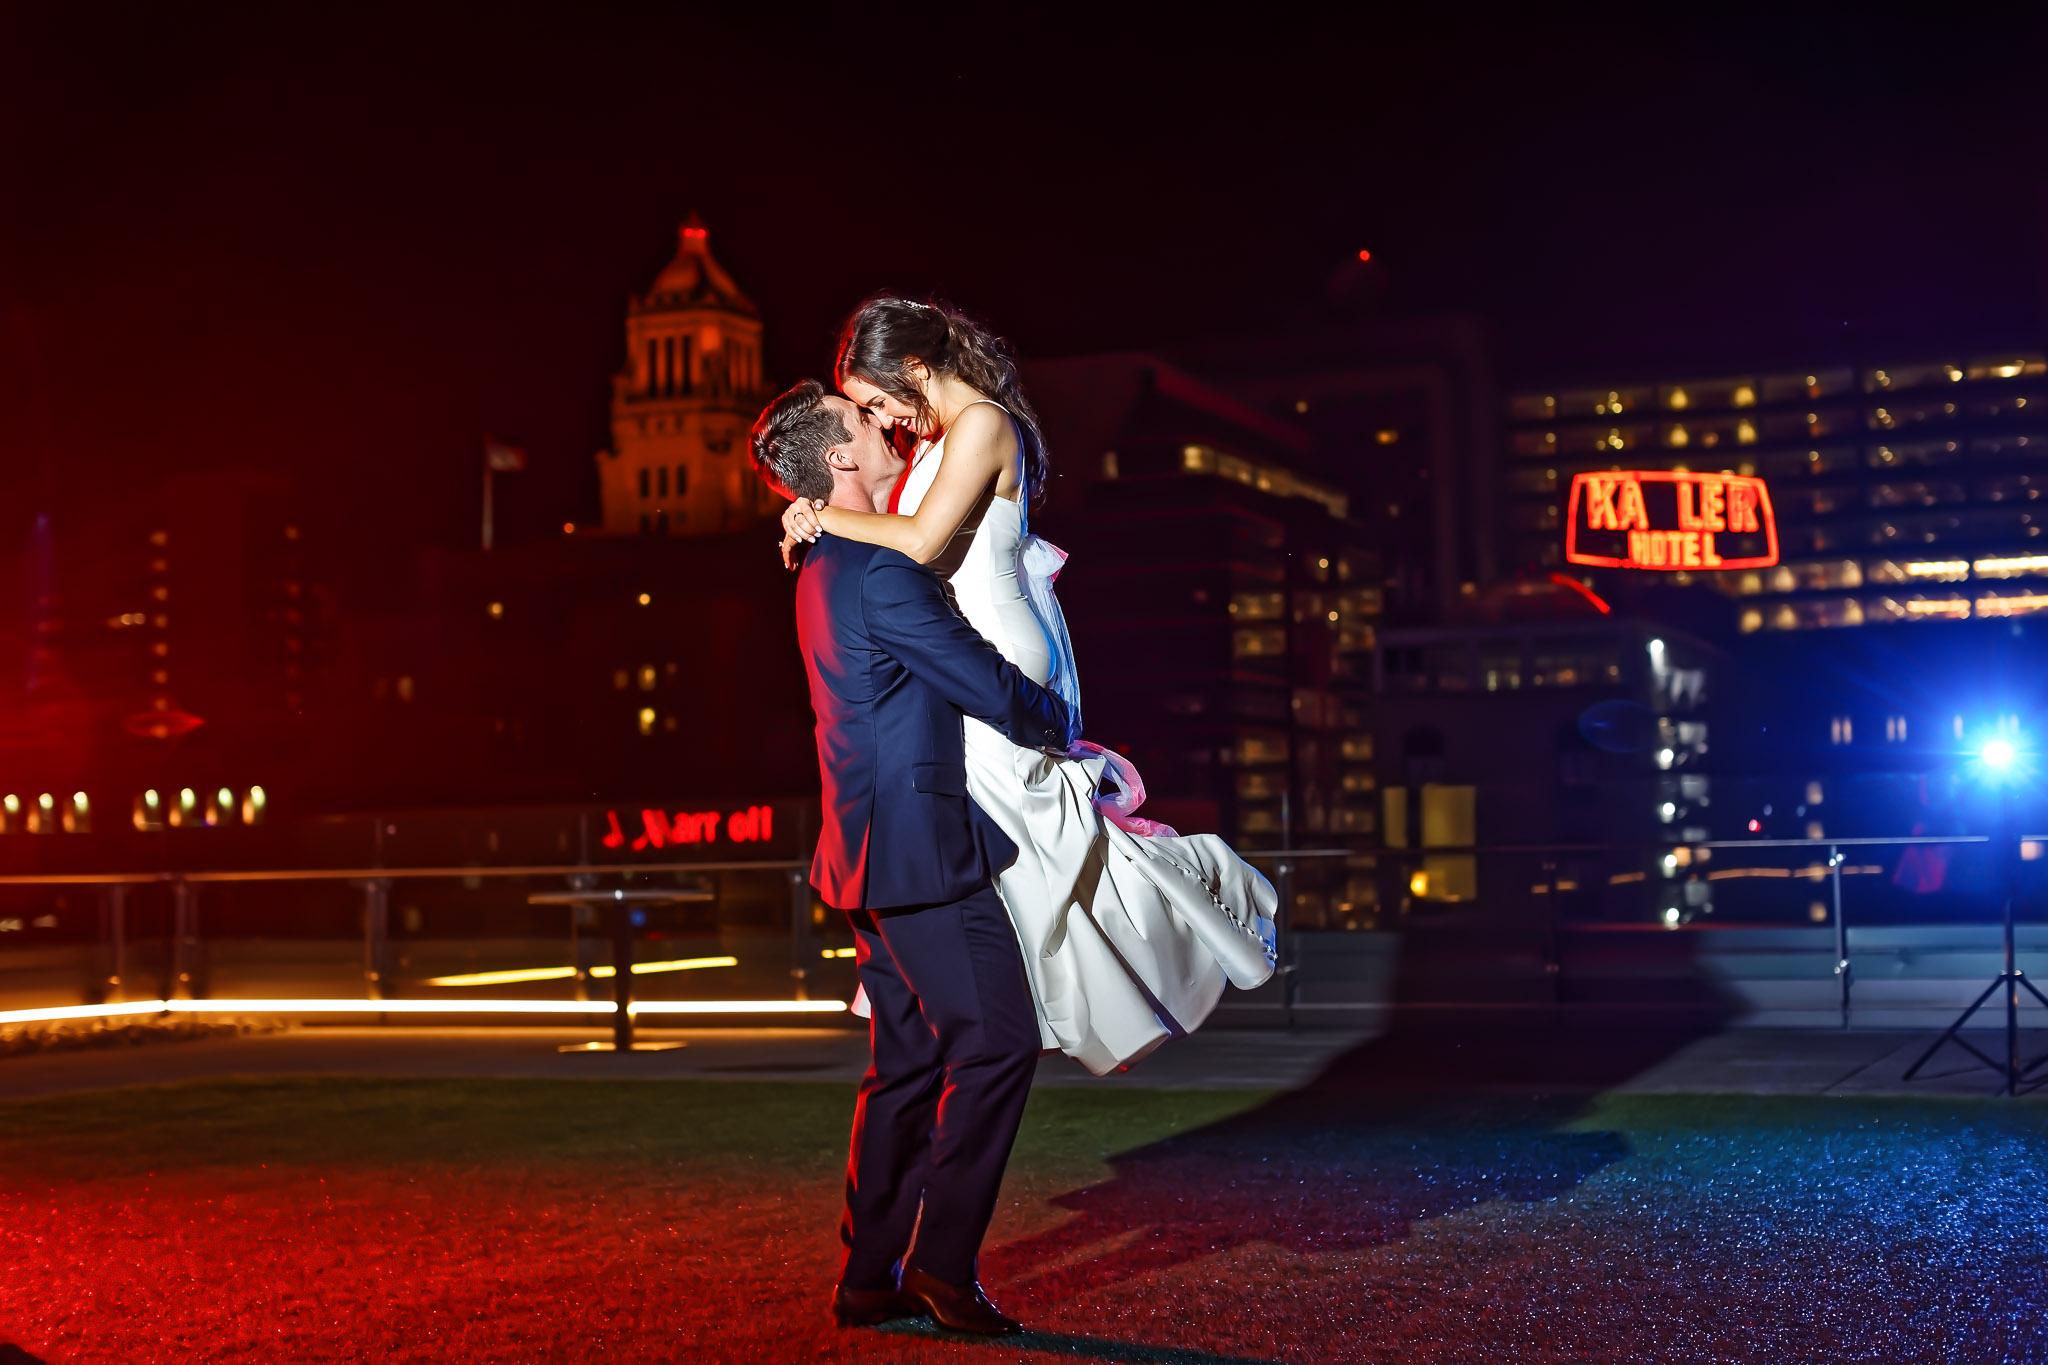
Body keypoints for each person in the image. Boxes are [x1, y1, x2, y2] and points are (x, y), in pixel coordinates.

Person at [780, 295, 1278, 1078]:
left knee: (1041, 840)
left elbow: (916, 540)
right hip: (971, 646)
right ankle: (980, 1005)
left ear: (912, 370)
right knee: (1020, 854)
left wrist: (818, 514)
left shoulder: (982, 423)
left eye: (878, 400)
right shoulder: (943, 438)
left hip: (1003, 651)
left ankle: (1183, 902)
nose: (883, 420)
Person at [750, 377, 1073, 1335]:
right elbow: (980, 681)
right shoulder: (877, 570)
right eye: (863, 420)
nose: (885, 423)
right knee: (999, 1043)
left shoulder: (821, 563)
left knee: (906, 1064)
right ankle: (939, 1268)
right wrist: (1064, 727)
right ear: (842, 458)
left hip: (865, 851)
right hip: (921, 852)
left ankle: (867, 1278)